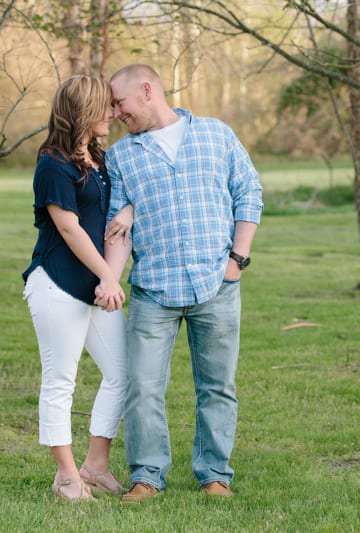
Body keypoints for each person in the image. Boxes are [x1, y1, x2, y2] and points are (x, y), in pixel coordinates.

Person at [97, 64, 263, 501]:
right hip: (154, 288)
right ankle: (147, 477)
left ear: (147, 90)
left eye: (119, 102)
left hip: (218, 285)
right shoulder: (120, 156)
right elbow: (118, 228)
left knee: (217, 387)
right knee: (144, 387)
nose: (115, 113)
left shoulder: (215, 134)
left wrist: (237, 260)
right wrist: (109, 280)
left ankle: (214, 476)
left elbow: (248, 191)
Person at [22, 75, 133, 501]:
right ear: (83, 111)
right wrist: (108, 276)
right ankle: (67, 478)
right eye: (104, 106)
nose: (112, 113)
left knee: (121, 373)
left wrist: (108, 275)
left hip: (95, 285)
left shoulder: (99, 159)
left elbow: (110, 215)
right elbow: (68, 228)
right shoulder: (53, 164)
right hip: (57, 284)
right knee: (60, 382)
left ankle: (95, 465)